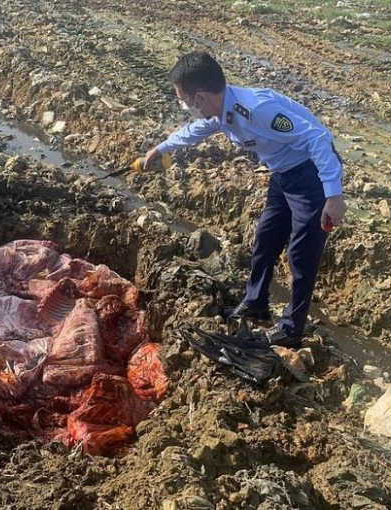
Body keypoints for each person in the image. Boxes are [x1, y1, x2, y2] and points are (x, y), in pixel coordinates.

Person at [143, 51, 347, 349]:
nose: (186, 107)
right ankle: (256, 303)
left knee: (301, 254)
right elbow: (196, 131)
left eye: (185, 101)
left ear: (200, 97)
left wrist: (334, 195)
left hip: (310, 175)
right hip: (283, 173)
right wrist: (162, 148)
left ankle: (291, 329)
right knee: (265, 238)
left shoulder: (256, 109)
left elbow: (316, 138)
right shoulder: (223, 110)